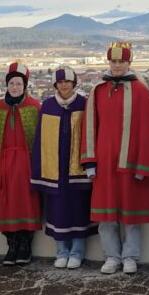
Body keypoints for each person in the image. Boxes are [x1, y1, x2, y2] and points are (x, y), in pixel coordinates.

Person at [81, 41, 149, 275]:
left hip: (131, 163)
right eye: (113, 61)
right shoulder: (97, 91)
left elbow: (147, 130)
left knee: (130, 215)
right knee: (106, 216)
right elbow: (89, 127)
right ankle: (112, 256)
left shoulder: (141, 92)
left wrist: (143, 165)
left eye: (121, 61)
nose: (117, 65)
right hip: (104, 164)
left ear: (129, 63)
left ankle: (130, 256)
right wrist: (90, 162)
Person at [31, 66, 97, 269]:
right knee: (57, 211)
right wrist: (39, 169)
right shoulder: (48, 106)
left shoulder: (84, 104)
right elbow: (40, 140)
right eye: (60, 82)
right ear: (55, 85)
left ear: (74, 83)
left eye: (67, 82)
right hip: (55, 171)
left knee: (79, 210)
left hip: (78, 169)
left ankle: (77, 252)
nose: (64, 85)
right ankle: (61, 252)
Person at [0, 62, 41, 265]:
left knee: (26, 203)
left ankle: (25, 245)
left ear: (25, 85)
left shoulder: (35, 107)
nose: (15, 87)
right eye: (11, 83)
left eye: (18, 83)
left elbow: (40, 141)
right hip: (5, 164)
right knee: (6, 203)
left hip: (26, 165)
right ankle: (12, 244)